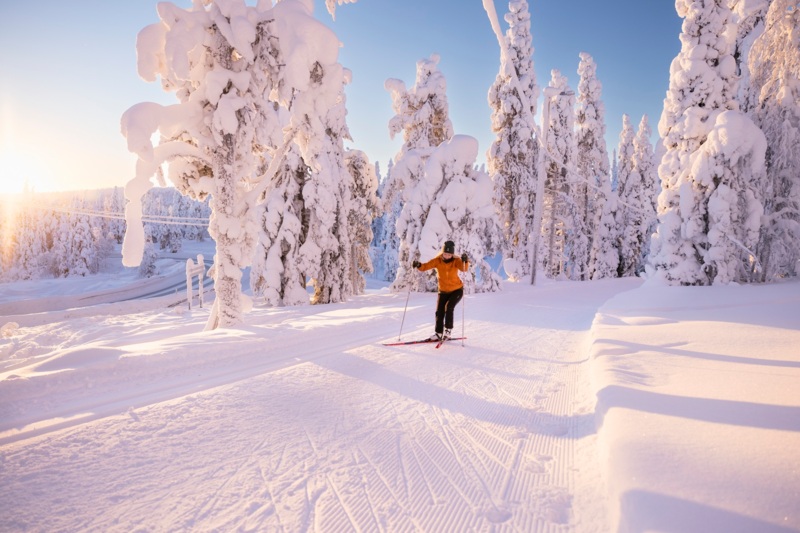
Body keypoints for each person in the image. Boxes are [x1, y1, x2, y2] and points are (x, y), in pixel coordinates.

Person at [412, 240, 469, 341]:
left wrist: (465, 261)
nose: (447, 256)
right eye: (445, 254)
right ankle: (438, 333)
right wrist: (419, 265)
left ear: (452, 254)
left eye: (449, 254)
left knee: (449, 307)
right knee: (439, 312)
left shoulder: (456, 261)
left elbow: (464, 268)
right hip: (443, 291)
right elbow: (425, 266)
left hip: (456, 290)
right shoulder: (437, 261)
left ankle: (447, 330)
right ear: (442, 253)